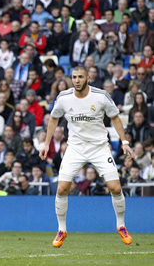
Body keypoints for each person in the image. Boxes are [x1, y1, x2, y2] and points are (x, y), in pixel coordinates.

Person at [39, 66, 134, 248]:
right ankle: (61, 229)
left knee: (115, 188)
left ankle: (121, 225)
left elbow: (114, 117)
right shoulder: (64, 98)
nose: (76, 80)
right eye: (74, 77)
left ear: (88, 78)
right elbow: (53, 118)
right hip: (75, 148)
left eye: (80, 77)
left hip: (99, 147)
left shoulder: (101, 96)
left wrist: (124, 142)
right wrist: (46, 144)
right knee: (61, 189)